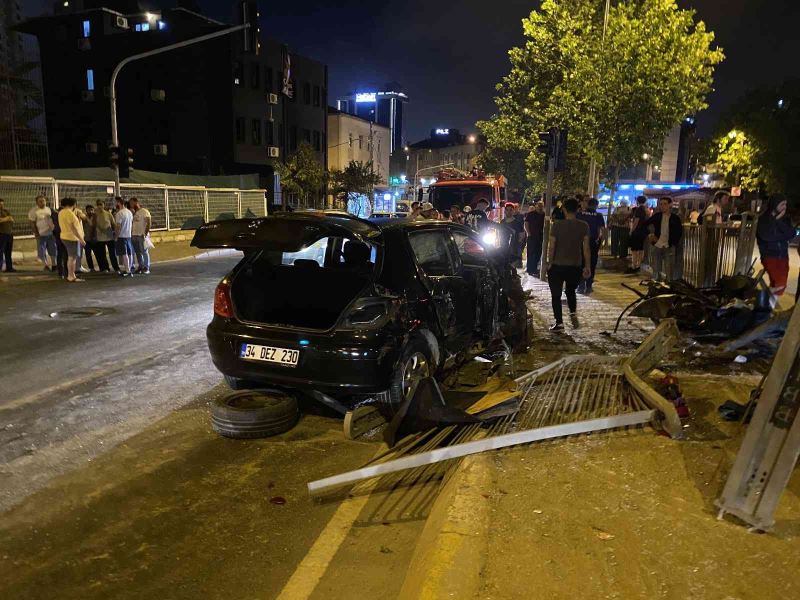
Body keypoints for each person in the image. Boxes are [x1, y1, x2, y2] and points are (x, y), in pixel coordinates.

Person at [547, 197, 591, 331]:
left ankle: (559, 323)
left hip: (558, 265)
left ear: (564, 209)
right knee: (570, 290)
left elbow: (552, 246)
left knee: (556, 295)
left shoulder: (557, 225)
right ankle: (572, 312)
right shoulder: (583, 225)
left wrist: (549, 262)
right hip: (575, 265)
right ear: (577, 209)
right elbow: (586, 248)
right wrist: (587, 266)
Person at [756, 194, 795, 298]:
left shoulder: (786, 219)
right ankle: (759, 298)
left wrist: (778, 221)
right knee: (779, 285)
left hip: (783, 256)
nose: (784, 207)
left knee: (778, 286)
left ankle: (766, 310)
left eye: (785, 204)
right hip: (770, 256)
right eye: (782, 204)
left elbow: (792, 233)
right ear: (775, 204)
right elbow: (766, 236)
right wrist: (782, 235)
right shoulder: (764, 219)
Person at [645, 197, 683, 282]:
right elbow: (645, 224)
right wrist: (650, 235)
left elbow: (679, 232)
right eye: (661, 204)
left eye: (665, 204)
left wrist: (673, 243)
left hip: (669, 245)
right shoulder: (657, 216)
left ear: (670, 205)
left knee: (669, 268)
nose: (662, 206)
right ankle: (656, 285)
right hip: (657, 244)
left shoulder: (675, 218)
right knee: (656, 268)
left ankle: (669, 285)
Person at [576, 198, 606, 293]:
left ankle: (580, 286)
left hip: (581, 241)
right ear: (596, 206)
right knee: (592, 263)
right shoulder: (599, 215)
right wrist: (602, 242)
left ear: (587, 204)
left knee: (580, 262)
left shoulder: (580, 214)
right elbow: (603, 230)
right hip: (593, 242)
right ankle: (589, 285)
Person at [57, 198, 86, 282]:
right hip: (72, 238)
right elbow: (74, 229)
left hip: (65, 236)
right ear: (74, 204)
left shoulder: (61, 212)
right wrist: (81, 239)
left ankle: (71, 274)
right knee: (72, 258)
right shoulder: (70, 213)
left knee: (70, 257)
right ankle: (71, 276)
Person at [27, 195, 57, 271]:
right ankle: (46, 265)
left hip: (50, 234)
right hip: (41, 234)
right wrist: (36, 234)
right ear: (37, 202)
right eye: (40, 201)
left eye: (44, 201)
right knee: (42, 251)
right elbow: (32, 223)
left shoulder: (49, 209)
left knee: (53, 249)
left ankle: (54, 264)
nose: (42, 202)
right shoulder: (33, 211)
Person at [626, 195, 649, 274]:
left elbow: (636, 221)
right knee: (641, 249)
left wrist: (631, 230)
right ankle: (639, 265)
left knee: (634, 249)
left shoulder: (639, 210)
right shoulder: (647, 210)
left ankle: (634, 265)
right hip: (644, 231)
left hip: (637, 231)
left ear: (637, 201)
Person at [94, 199, 118, 272]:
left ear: (104, 205)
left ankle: (116, 267)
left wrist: (115, 234)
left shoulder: (108, 214)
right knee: (102, 254)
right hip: (99, 237)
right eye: (98, 204)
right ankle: (105, 268)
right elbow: (93, 225)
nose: (100, 206)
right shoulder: (95, 215)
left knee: (112, 254)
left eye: (101, 204)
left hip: (109, 237)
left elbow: (113, 224)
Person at [130, 197, 152, 274]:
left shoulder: (144, 211)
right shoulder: (135, 213)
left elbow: (149, 223)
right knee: (137, 252)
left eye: (132, 203)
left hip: (141, 235)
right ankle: (141, 266)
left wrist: (145, 234)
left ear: (136, 202)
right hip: (134, 235)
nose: (131, 205)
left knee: (144, 251)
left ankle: (146, 267)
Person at [114, 197, 134, 277]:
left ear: (119, 203)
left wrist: (116, 236)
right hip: (128, 235)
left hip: (122, 236)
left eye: (116, 202)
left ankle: (127, 270)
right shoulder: (129, 212)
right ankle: (129, 268)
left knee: (124, 253)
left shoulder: (119, 213)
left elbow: (118, 226)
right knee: (129, 253)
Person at [524, 202, 545, 276]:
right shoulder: (531, 214)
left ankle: (534, 268)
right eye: (539, 206)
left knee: (538, 253)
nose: (540, 207)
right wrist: (528, 233)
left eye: (541, 206)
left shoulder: (544, 215)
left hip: (540, 237)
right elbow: (526, 223)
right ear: (536, 206)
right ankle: (530, 269)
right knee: (531, 253)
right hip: (532, 236)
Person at [502, 203, 525, 268]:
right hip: (503, 248)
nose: (509, 212)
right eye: (507, 210)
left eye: (511, 210)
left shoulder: (517, 223)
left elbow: (522, 235)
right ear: (505, 211)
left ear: (513, 211)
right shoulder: (502, 222)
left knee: (512, 267)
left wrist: (518, 247)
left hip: (513, 250)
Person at [0, 198, 15, 272]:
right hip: (1, 234)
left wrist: (5, 219)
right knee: (0, 252)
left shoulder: (6, 211)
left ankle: (9, 268)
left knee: (8, 252)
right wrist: (7, 218)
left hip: (9, 234)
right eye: (0, 204)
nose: (1, 206)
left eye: (2, 204)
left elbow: (12, 219)